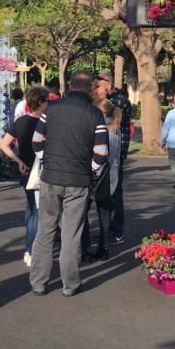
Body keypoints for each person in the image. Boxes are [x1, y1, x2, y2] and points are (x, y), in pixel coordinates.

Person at [29, 71, 109, 297]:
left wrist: (47, 159)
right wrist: (90, 170)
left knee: (44, 232)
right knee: (72, 235)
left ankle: (38, 282)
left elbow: (36, 142)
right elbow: (101, 153)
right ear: (91, 88)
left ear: (71, 86)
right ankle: (70, 284)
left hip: (50, 178)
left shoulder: (51, 110)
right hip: (78, 180)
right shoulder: (95, 114)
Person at [0, 85, 49, 267]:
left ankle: (30, 247)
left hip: (26, 169)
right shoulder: (46, 123)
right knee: (37, 212)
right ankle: (31, 248)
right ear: (41, 102)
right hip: (41, 170)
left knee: (30, 209)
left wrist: (17, 160)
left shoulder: (20, 122)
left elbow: (3, 144)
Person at [81, 98, 121, 261]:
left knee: (82, 213)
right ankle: (104, 246)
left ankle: (86, 248)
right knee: (104, 212)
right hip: (109, 176)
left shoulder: (99, 129)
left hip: (93, 175)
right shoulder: (116, 129)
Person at [94, 73, 132, 243]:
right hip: (110, 153)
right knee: (107, 193)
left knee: (114, 192)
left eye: (98, 87)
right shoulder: (113, 102)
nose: (95, 91)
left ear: (108, 86)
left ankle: (116, 229)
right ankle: (109, 228)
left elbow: (111, 123)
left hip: (114, 153)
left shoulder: (117, 102)